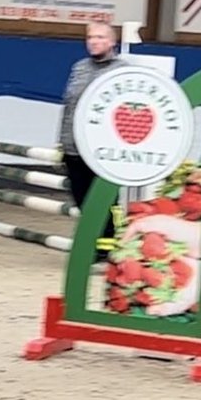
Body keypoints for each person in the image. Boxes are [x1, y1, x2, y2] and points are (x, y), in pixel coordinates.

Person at [58, 21, 129, 254]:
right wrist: (62, 140)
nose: (94, 42)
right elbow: (68, 106)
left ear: (112, 42)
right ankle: (96, 243)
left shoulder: (122, 70)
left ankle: (106, 248)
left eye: (100, 37)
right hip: (73, 147)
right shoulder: (79, 67)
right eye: (90, 37)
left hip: (103, 150)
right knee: (81, 200)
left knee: (104, 202)